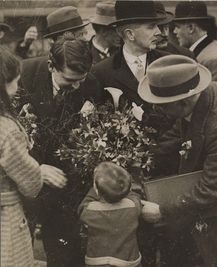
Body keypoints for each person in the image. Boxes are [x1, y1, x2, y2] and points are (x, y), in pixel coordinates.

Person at [138, 54, 217, 267]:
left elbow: (213, 188)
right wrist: (138, 161)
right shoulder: (198, 98)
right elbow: (174, 137)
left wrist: (163, 211)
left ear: (186, 100)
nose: (157, 109)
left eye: (163, 105)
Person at [19, 36, 101, 267]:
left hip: (64, 187)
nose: (76, 86)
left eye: (80, 80)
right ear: (50, 66)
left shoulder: (90, 84)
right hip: (23, 182)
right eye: (68, 80)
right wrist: (34, 169)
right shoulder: (21, 77)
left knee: (66, 257)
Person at [0, 47, 67, 266]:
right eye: (15, 82)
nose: (17, 88)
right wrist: (41, 171)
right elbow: (29, 184)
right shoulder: (6, 129)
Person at [82, 0, 172, 130]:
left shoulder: (168, 64)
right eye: (151, 26)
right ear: (130, 34)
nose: (159, 32)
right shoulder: (100, 73)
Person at [78, 162, 160, 267]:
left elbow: (82, 207)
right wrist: (125, 189)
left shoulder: (90, 209)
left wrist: (94, 189)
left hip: (98, 261)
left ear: (97, 191)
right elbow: (135, 196)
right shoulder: (132, 206)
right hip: (128, 261)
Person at [173, 1, 217, 86]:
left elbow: (215, 97)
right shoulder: (208, 51)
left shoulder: (212, 60)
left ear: (191, 28)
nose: (174, 31)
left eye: (177, 27)